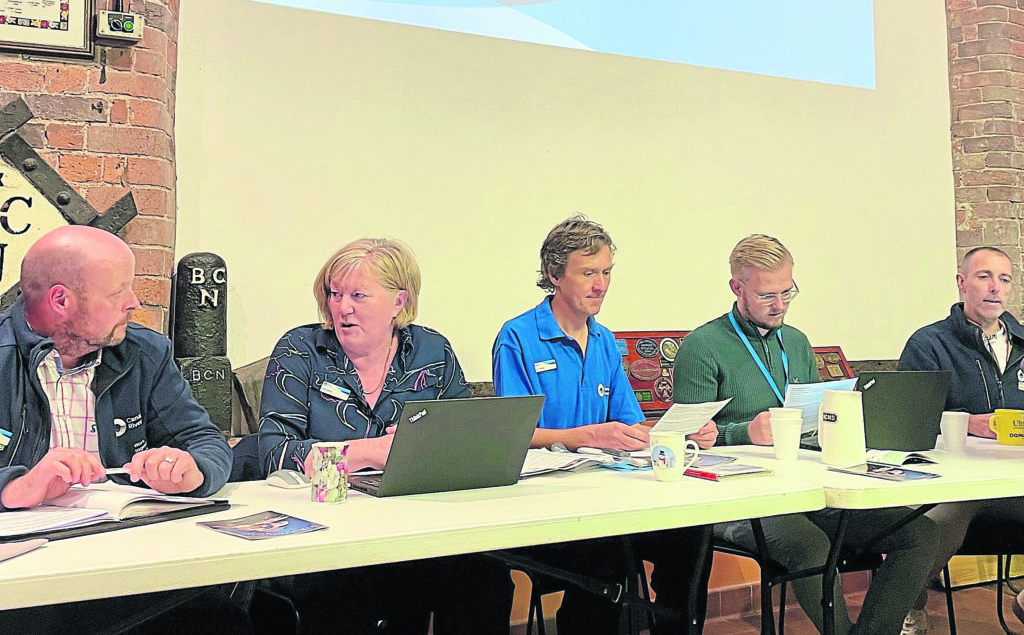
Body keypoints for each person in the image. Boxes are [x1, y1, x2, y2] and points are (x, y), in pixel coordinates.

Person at [672, 233, 938, 635]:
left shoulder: (795, 342)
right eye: (766, 296)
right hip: (739, 499)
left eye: (787, 292)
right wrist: (741, 432)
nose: (780, 305)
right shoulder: (702, 346)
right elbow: (685, 444)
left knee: (920, 533)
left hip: (810, 484)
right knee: (810, 546)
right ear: (737, 288)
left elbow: (813, 420)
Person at [257, 237, 513, 634]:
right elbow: (273, 452)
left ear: (399, 302)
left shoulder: (432, 352)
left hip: (415, 528)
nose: (342, 307)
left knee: (482, 576)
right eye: (334, 293)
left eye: (358, 295)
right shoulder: (301, 350)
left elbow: (467, 436)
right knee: (343, 589)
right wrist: (373, 451)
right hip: (328, 535)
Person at [0, 225, 240, 634]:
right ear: (61, 300)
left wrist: (191, 470)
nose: (134, 303)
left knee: (226, 613)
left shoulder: (145, 353)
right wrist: (14, 485)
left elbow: (206, 441)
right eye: (118, 293)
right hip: (24, 580)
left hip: (127, 559)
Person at [493, 215, 714, 635]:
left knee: (691, 537)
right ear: (555, 275)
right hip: (545, 506)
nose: (601, 285)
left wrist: (679, 431)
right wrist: (587, 436)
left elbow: (629, 426)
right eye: (588, 273)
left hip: (608, 498)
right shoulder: (518, 337)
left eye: (607, 272)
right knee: (609, 557)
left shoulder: (605, 342)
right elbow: (513, 436)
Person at [897, 245, 1024, 632]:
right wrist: (968, 423)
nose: (994, 289)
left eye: (1004, 279)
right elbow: (904, 422)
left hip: (1015, 481)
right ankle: (905, 603)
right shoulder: (928, 344)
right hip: (955, 483)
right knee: (940, 516)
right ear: (962, 284)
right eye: (984, 277)